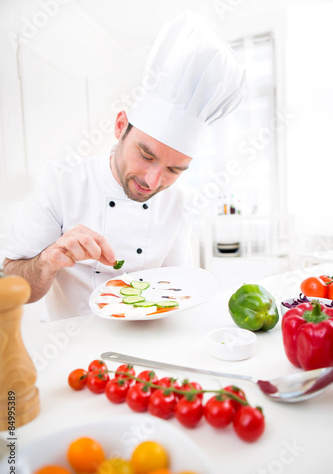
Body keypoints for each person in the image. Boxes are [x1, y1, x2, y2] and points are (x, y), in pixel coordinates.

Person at [1, 12, 246, 321]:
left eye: (174, 170)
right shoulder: (61, 180)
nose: (153, 181)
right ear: (120, 127)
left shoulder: (179, 203)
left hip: (148, 345)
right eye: (146, 155)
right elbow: (11, 283)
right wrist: (48, 261)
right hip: (70, 346)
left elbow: (179, 288)